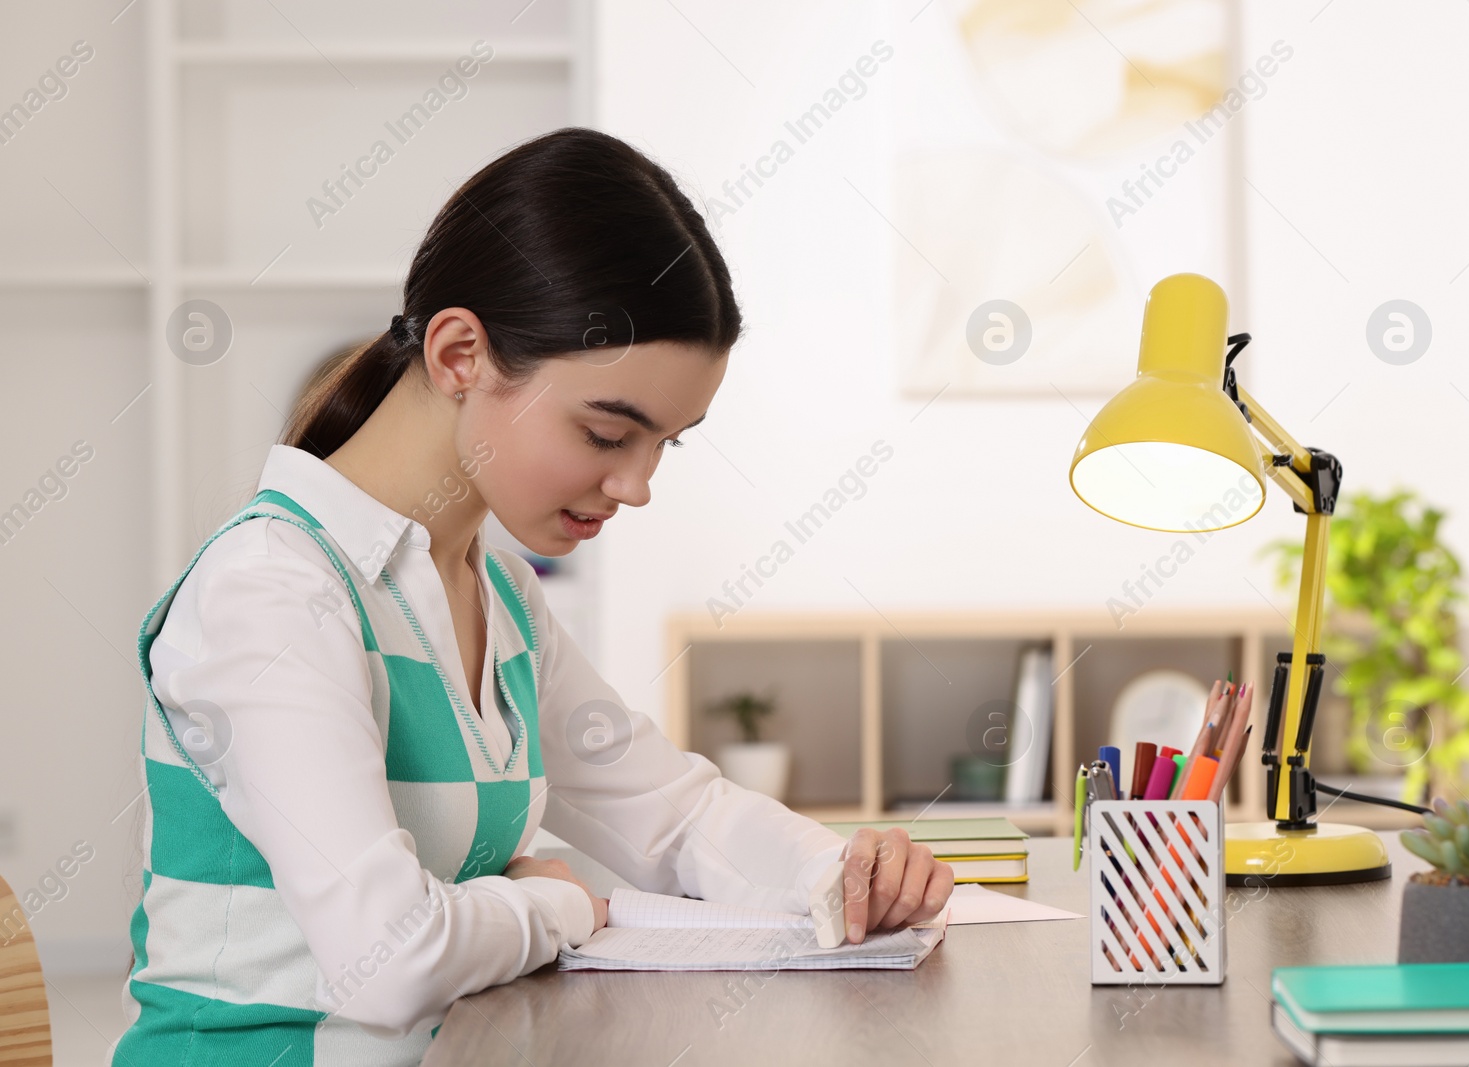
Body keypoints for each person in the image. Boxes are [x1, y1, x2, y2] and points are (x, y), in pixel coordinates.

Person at [112, 127, 953, 1066]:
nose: (636, 486)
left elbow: (672, 816)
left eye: (664, 444)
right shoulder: (272, 592)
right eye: (607, 433)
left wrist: (840, 873)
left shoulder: (499, 594)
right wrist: (557, 900)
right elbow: (390, 958)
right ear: (461, 354)